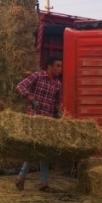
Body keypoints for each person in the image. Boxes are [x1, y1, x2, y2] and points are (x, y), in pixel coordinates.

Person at [14, 56, 63, 193]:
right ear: (49, 67)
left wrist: (59, 111)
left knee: (44, 151)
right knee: (35, 149)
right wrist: (30, 97)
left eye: (61, 66)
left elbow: (58, 101)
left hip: (47, 121)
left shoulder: (58, 84)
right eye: (58, 66)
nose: (60, 69)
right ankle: (23, 177)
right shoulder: (37, 76)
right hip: (34, 119)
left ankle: (41, 183)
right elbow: (20, 86)